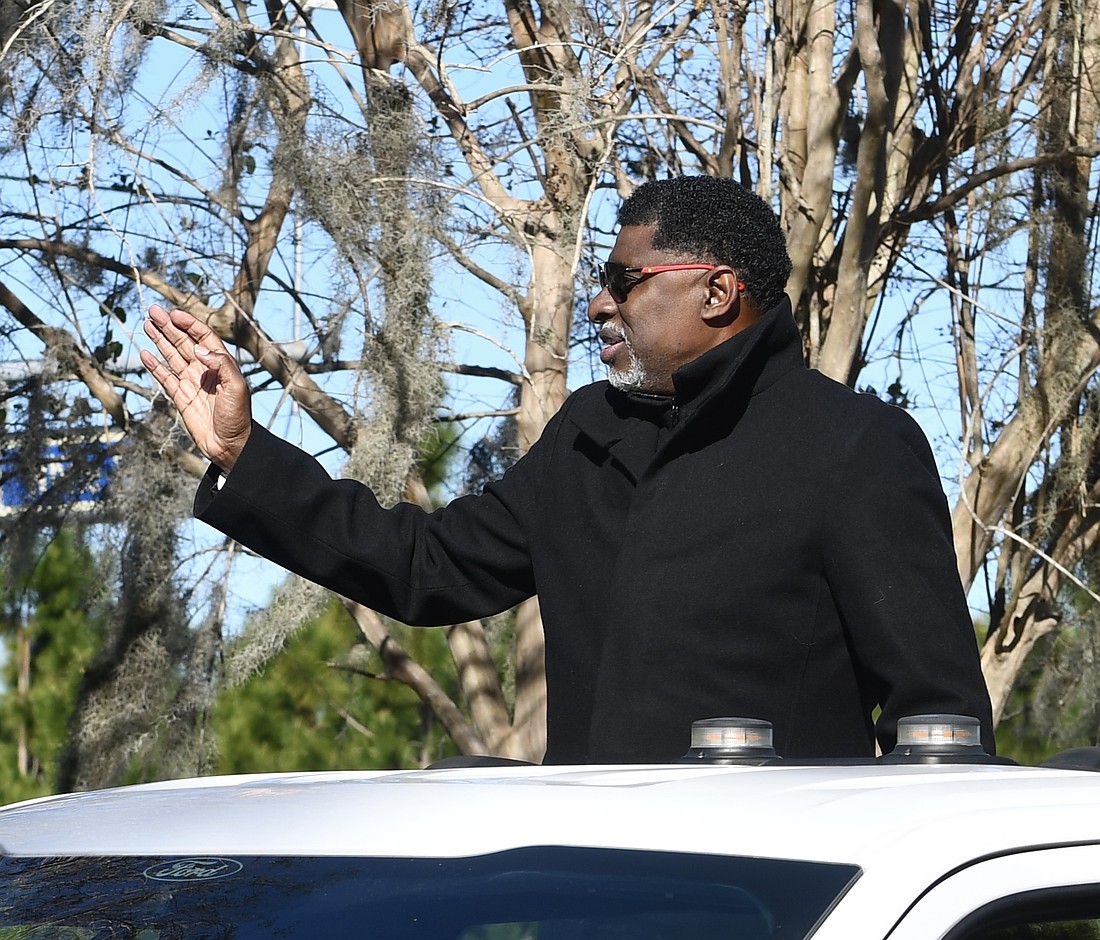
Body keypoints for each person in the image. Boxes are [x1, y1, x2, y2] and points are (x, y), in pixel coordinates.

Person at [142, 175, 995, 764]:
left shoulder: (853, 445)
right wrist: (242, 456)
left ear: (717, 293)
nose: (599, 302)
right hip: (592, 890)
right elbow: (425, 569)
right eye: (601, 279)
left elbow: (939, 721)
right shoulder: (592, 429)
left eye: (626, 281)